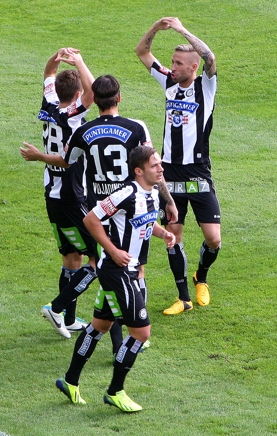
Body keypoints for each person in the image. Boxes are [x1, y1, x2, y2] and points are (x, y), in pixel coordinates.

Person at [21, 76, 177, 349]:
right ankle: (126, 336)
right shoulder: (135, 127)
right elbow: (153, 164)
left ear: (95, 99)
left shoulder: (84, 131)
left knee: (116, 270)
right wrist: (168, 201)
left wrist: (40, 157)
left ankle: (123, 329)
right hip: (131, 205)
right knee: (127, 270)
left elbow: (66, 161)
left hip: (100, 209)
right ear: (119, 98)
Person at [55, 146, 176, 412]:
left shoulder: (153, 193)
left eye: (160, 164)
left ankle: (70, 381)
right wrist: (112, 250)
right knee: (141, 333)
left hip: (126, 270)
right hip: (117, 271)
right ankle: (115, 391)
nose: (161, 169)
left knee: (99, 326)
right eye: (155, 165)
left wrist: (162, 233)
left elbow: (142, 222)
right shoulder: (126, 192)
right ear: (139, 171)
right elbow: (90, 219)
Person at [135, 17, 221, 315]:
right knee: (174, 235)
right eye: (172, 61)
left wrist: (183, 30)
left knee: (213, 238)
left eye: (179, 63)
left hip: (198, 172)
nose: (173, 67)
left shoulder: (206, 87)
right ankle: (184, 297)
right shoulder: (169, 82)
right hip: (168, 173)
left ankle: (202, 277)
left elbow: (210, 57)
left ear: (192, 67)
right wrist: (155, 30)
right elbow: (142, 53)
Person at [37, 47, 96, 335]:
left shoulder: (49, 103)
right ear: (75, 95)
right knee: (100, 257)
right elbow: (93, 94)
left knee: (72, 258)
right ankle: (57, 307)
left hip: (53, 195)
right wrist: (80, 62)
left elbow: (48, 73)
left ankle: (68, 320)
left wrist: (56, 58)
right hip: (73, 196)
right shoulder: (72, 115)